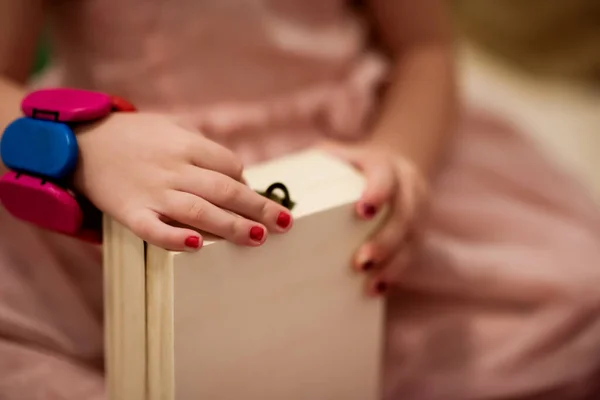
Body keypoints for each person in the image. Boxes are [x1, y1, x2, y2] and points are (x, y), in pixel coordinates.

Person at [0, 1, 599, 399]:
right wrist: (80, 145)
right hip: (126, 184)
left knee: (577, 297)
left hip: (356, 162)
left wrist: (402, 158)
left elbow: (426, 51)